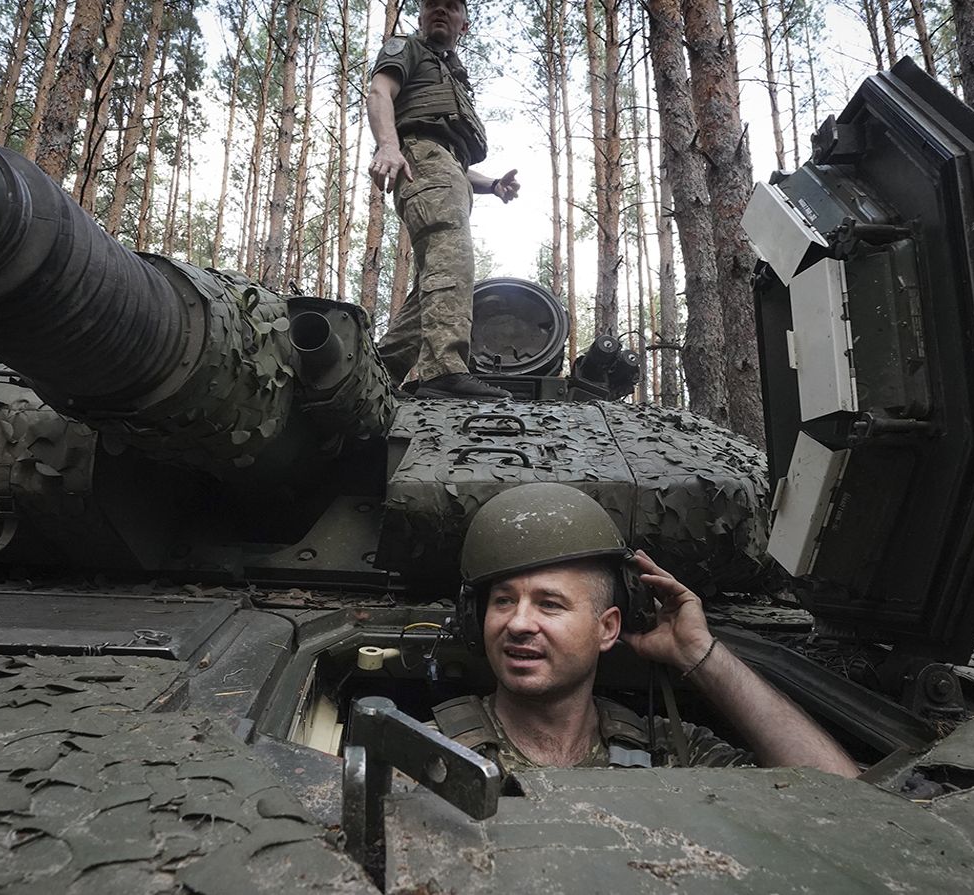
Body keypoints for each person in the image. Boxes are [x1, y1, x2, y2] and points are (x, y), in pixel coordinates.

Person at [434, 483, 861, 776]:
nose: (519, 624)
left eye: (550, 604)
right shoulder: (427, 753)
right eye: (503, 601)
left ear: (607, 628)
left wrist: (701, 654)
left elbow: (841, 799)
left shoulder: (669, 750)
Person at [365, 0, 519, 401]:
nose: (439, 11)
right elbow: (380, 90)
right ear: (420, 15)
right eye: (431, 4)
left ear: (463, 24)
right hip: (420, 158)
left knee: (435, 277)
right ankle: (443, 371)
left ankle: (375, 373)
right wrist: (387, 146)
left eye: (450, 7)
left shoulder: (452, 75)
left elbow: (451, 157)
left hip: (444, 166)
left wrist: (492, 186)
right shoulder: (408, 49)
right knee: (452, 258)